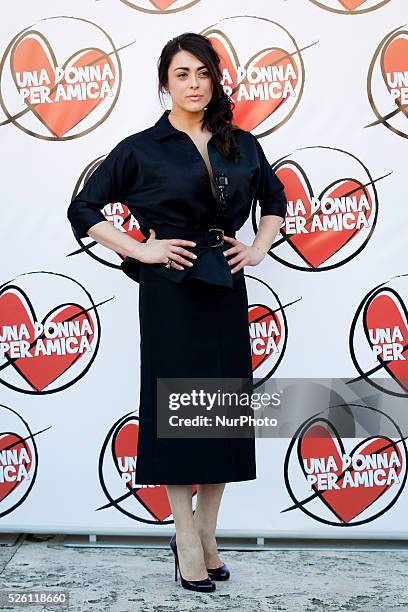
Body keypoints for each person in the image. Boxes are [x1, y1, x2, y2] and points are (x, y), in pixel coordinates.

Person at [67, 32, 287, 593]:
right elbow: (83, 207)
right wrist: (142, 248)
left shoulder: (242, 144)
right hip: (169, 290)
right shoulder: (142, 148)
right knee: (176, 406)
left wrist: (258, 247)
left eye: (203, 73)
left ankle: (208, 534)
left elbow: (275, 203)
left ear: (216, 79)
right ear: (165, 83)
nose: (193, 84)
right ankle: (184, 536)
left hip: (226, 285)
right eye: (182, 74)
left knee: (220, 411)